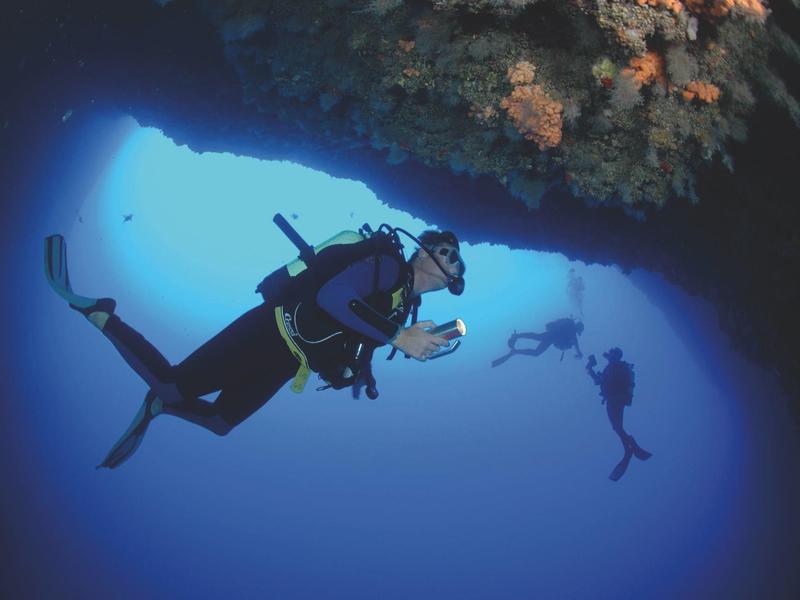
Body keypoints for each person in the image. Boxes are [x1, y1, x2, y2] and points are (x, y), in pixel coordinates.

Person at [44, 224, 466, 468]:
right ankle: (102, 314)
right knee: (172, 384)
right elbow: (331, 299)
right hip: (269, 330)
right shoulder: (389, 265)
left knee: (221, 422)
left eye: (458, 262)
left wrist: (356, 368)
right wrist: (398, 336)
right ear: (424, 251)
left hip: (289, 360)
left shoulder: (403, 304)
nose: (454, 262)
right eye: (449, 252)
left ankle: (157, 407)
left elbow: (354, 336)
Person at [585, 348, 651, 481]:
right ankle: (630, 447)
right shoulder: (611, 368)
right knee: (617, 427)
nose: (608, 356)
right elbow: (599, 381)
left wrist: (590, 368)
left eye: (611, 354)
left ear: (615, 356)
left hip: (615, 399)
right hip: (614, 399)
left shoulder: (617, 367)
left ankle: (629, 448)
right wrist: (590, 369)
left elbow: (603, 382)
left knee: (617, 427)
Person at [491, 317, 584, 367]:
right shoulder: (573, 334)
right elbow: (577, 347)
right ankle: (516, 347)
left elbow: (576, 346)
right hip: (551, 337)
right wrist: (579, 354)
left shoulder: (570, 326)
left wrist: (578, 352)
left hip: (551, 336)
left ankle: (517, 340)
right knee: (537, 344)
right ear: (578, 329)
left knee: (537, 338)